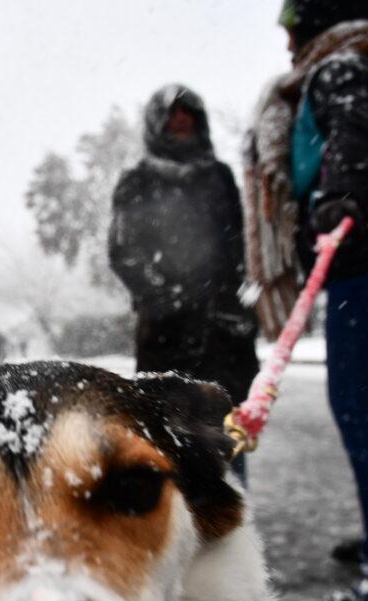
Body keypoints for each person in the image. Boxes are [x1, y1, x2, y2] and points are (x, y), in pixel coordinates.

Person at [246, 0, 368, 601]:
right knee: (363, 413)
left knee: (360, 415)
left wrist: (337, 201)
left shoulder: (341, 70)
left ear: (313, 22)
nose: (286, 45)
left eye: (291, 28)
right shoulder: (344, 66)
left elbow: (353, 140)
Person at [109, 84, 259, 482]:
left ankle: (231, 533)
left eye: (188, 120)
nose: (181, 127)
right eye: (172, 120)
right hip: (166, 335)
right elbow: (123, 252)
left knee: (225, 440)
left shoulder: (219, 178)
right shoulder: (137, 182)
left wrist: (234, 307)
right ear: (156, 126)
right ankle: (182, 536)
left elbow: (235, 249)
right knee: (169, 446)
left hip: (220, 334)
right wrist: (166, 295)